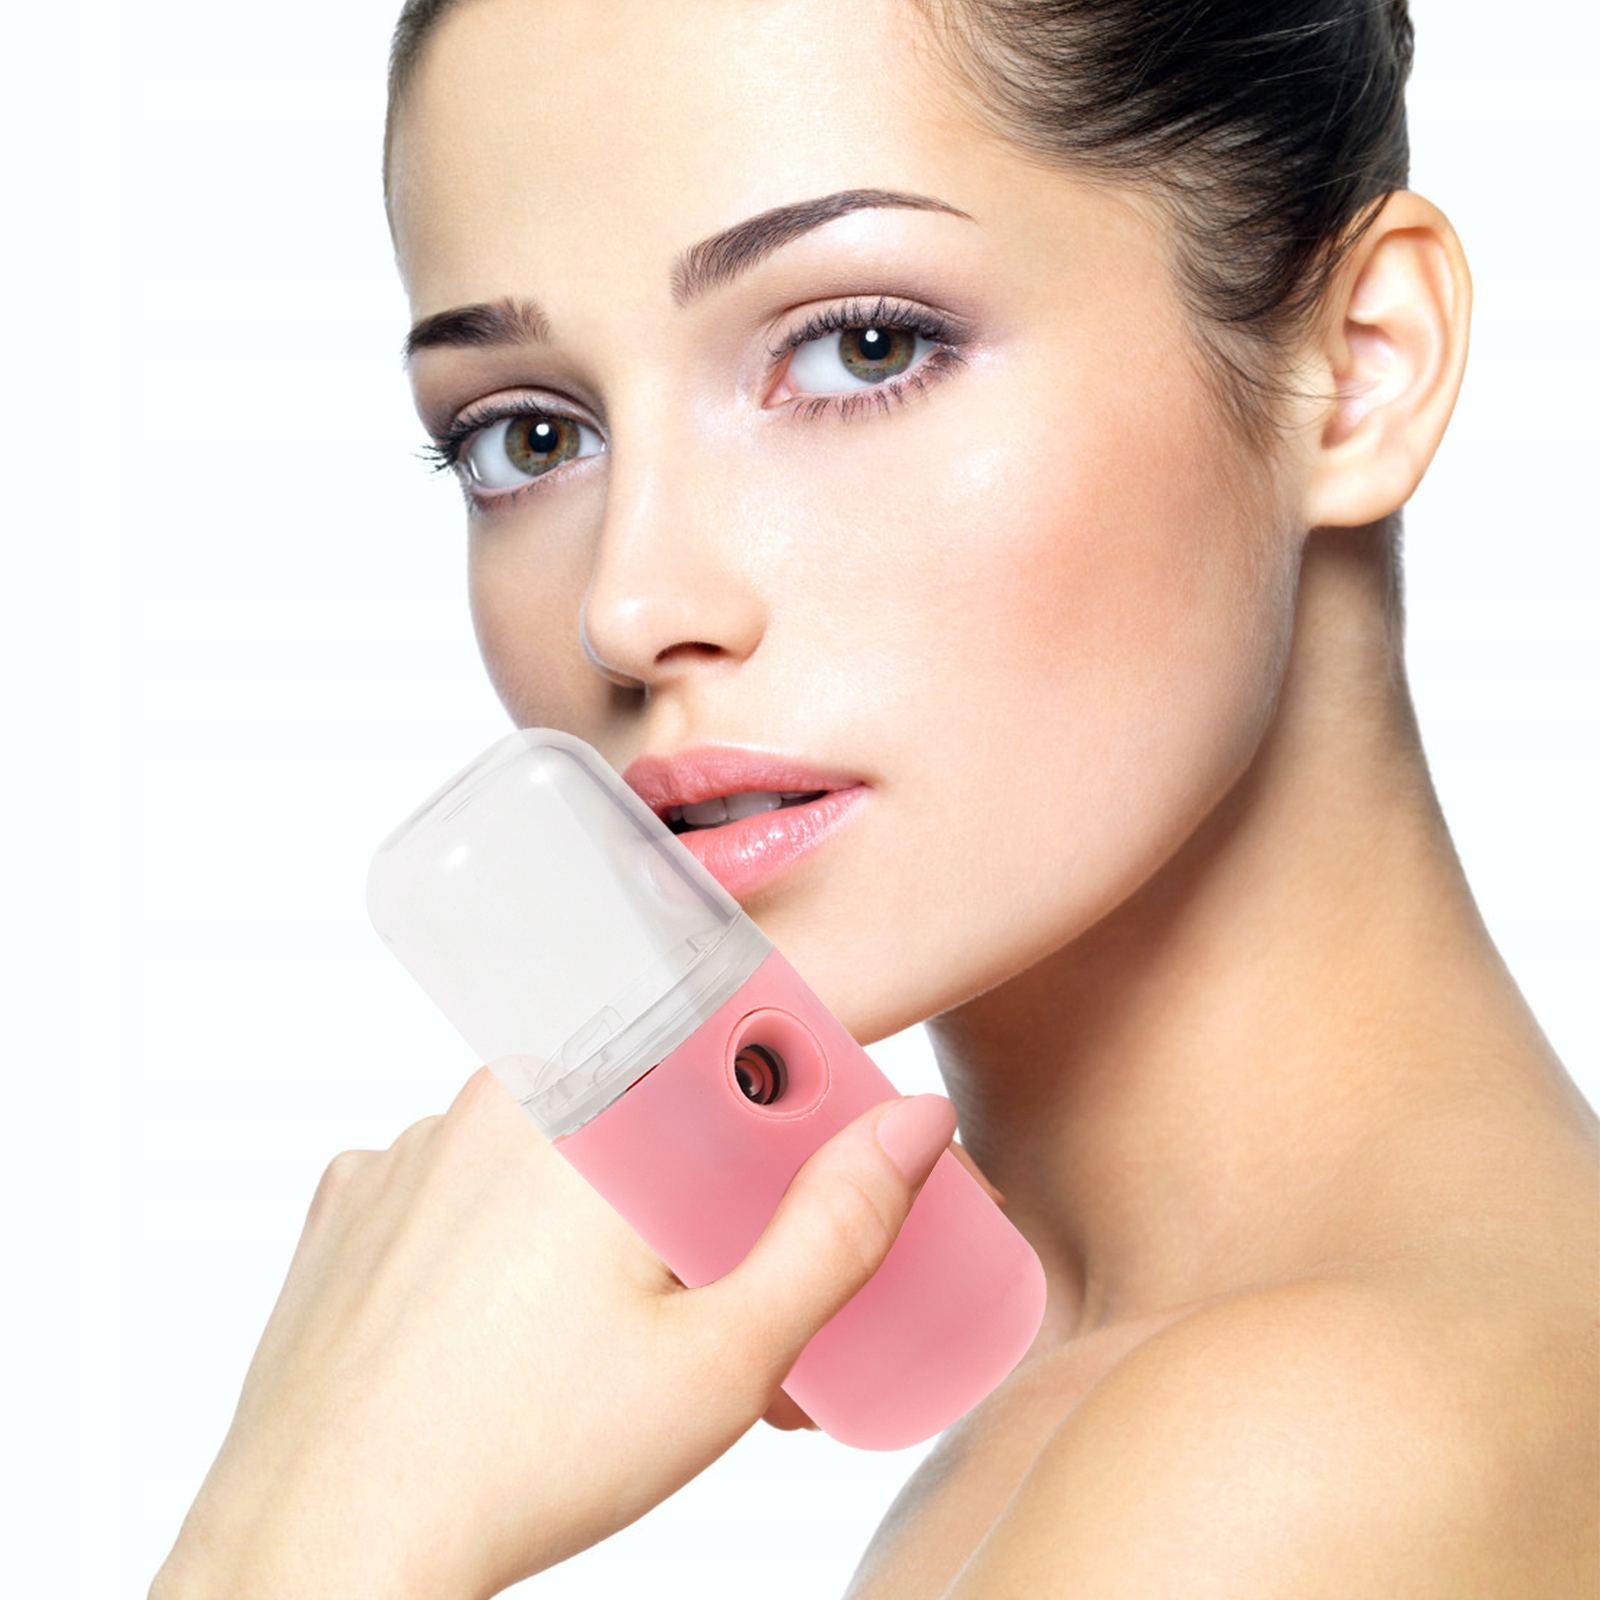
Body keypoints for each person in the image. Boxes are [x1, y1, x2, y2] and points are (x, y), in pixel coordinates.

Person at [151, 1, 1598, 1594]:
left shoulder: (1306, 1454)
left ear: (1362, 368)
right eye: (527, 436)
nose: (631, 604)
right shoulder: (1143, 1388)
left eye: (862, 347)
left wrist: (303, 1539)